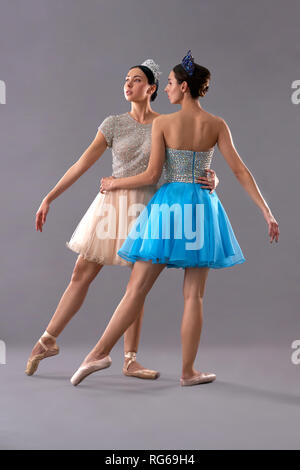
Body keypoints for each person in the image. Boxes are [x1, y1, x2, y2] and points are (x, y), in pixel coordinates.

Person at [70, 50, 279, 387]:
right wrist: (266, 211)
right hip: (201, 207)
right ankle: (188, 372)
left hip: (168, 206)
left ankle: (97, 354)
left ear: (184, 87)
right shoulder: (216, 124)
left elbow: (152, 175)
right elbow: (240, 170)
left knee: (136, 289)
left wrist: (114, 183)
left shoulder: (164, 123)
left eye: (168, 83)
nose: (165, 89)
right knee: (194, 296)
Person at [25, 57, 220, 379]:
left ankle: (130, 359)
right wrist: (49, 197)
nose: (128, 84)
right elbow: (81, 164)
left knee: (137, 285)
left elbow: (186, 165)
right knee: (81, 273)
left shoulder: (167, 122)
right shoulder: (114, 123)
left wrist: (212, 180)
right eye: (125, 80)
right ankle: (47, 340)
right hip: (112, 206)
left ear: (153, 88)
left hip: (149, 208)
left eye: (136, 80)